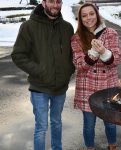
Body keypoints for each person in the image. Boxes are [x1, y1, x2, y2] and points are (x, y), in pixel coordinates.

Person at [11, 0, 75, 150]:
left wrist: (68, 71)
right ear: (43, 2)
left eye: (58, 2)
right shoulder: (28, 26)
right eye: (51, 1)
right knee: (41, 127)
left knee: (57, 123)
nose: (55, 5)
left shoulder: (67, 28)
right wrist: (40, 71)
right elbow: (18, 55)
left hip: (60, 88)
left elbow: (73, 55)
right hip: (39, 87)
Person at [71, 3, 121, 150]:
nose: (89, 18)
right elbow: (80, 65)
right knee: (88, 124)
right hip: (87, 87)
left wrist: (105, 53)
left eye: (91, 14)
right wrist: (93, 53)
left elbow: (116, 60)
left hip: (107, 85)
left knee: (110, 122)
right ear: (80, 19)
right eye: (84, 15)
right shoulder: (76, 38)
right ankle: (90, 148)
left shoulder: (111, 33)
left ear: (97, 14)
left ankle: (112, 146)